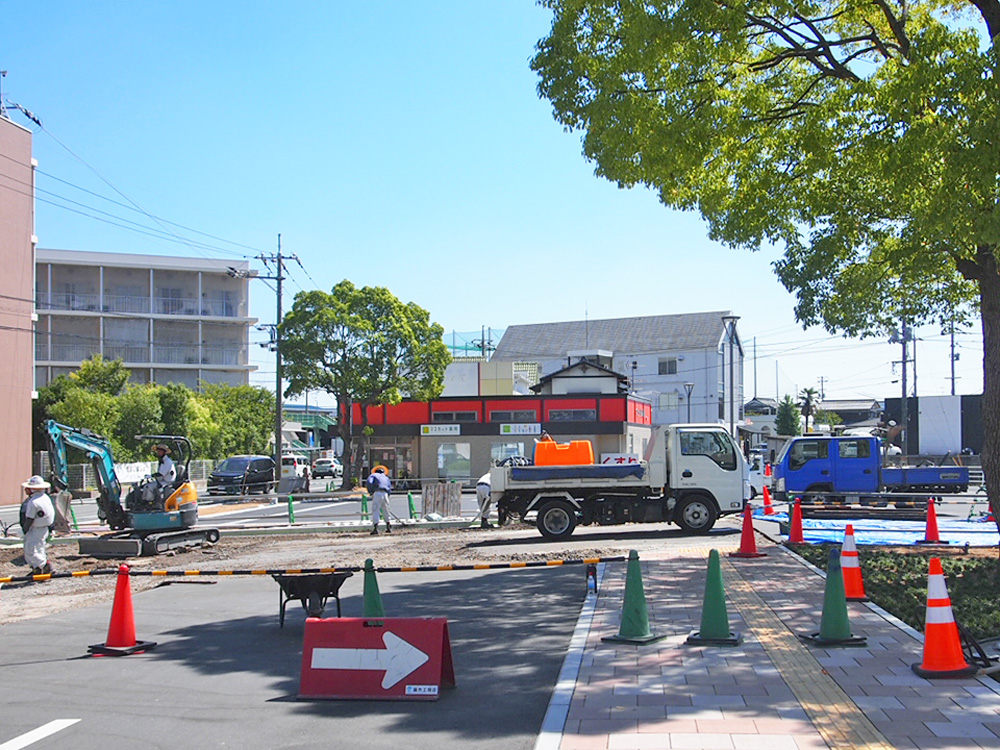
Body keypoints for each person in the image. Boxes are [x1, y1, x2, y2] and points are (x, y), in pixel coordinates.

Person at [20, 475, 55, 575]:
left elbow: (30, 519)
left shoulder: (33, 502)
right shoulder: (45, 498)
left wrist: (24, 531)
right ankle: (39, 569)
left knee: (31, 549)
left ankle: (43, 567)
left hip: (36, 529)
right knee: (40, 548)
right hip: (44, 528)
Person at [143, 442, 176, 506]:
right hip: (162, 481)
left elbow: (161, 474)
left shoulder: (167, 462)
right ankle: (144, 501)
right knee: (146, 485)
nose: (158, 452)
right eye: (157, 451)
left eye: (159, 451)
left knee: (149, 487)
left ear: (164, 452)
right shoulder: (162, 461)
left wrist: (151, 476)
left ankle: (149, 503)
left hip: (167, 483)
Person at [365, 466, 392, 535]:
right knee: (386, 509)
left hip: (377, 493)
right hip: (385, 493)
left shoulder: (373, 475)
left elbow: (369, 483)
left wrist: (371, 491)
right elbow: (389, 487)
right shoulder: (386, 477)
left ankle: (376, 528)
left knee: (376, 510)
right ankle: (388, 525)